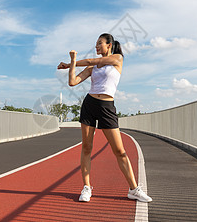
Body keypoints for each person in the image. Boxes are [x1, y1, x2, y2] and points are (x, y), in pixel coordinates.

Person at [57, 33, 152, 203]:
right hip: (90, 105)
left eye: (99, 43)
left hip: (107, 107)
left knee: (120, 151)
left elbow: (94, 61)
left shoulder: (117, 59)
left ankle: (133, 189)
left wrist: (71, 62)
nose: (97, 46)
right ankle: (86, 187)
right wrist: (71, 63)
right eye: (96, 44)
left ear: (109, 45)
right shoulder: (92, 69)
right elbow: (72, 82)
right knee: (87, 147)